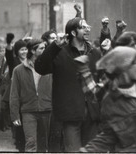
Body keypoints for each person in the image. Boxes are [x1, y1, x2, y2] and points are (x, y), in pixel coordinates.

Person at [35, 17, 101, 152]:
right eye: (83, 27)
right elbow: (40, 68)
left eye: (88, 26)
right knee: (73, 151)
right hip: (70, 113)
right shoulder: (59, 52)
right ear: (73, 33)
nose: (88, 29)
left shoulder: (95, 53)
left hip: (93, 113)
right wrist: (54, 46)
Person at [10, 39, 52, 152]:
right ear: (33, 51)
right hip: (28, 111)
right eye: (42, 48)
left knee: (44, 145)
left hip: (46, 109)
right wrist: (14, 115)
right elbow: (14, 94)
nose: (45, 51)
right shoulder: (18, 70)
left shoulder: (50, 67)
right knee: (31, 142)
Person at [3, 35, 27, 152]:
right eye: (22, 50)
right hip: (16, 93)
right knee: (19, 122)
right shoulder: (14, 61)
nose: (24, 52)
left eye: (25, 49)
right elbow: (8, 55)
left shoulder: (31, 60)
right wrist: (8, 44)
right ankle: (19, 144)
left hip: (28, 93)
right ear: (17, 52)